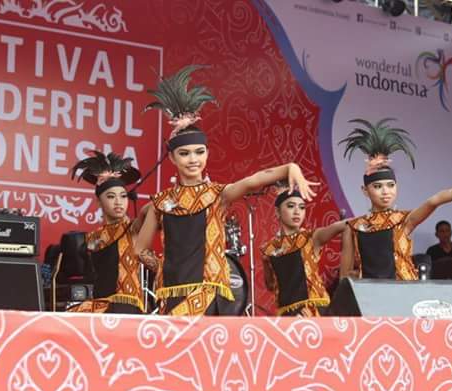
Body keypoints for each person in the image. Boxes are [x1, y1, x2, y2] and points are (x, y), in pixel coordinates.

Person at [135, 65, 319, 316]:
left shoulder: (218, 195)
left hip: (209, 292)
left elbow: (253, 180)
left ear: (207, 153)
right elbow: (140, 250)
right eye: (184, 153)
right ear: (173, 157)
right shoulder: (161, 202)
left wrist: (290, 167)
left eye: (199, 152)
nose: (193, 159)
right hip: (172, 294)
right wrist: (163, 268)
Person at [338, 118, 452, 280]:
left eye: (391, 185)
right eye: (377, 186)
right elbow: (344, 277)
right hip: (370, 293)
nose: (385, 191)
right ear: (365, 190)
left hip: (405, 290)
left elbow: (434, 201)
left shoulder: (403, 220)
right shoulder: (354, 227)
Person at [67, 151, 149, 314]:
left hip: (126, 307)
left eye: (123, 196)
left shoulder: (132, 228)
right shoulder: (92, 238)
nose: (119, 202)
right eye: (111, 197)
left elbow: (148, 211)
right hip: (100, 307)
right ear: (99, 201)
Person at [260, 186, 347, 316]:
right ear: (277, 212)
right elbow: (271, 286)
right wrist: (266, 263)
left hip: (314, 309)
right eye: (291, 206)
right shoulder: (269, 248)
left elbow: (339, 226)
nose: (297, 212)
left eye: (302, 207)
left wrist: (363, 220)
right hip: (286, 313)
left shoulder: (311, 238)